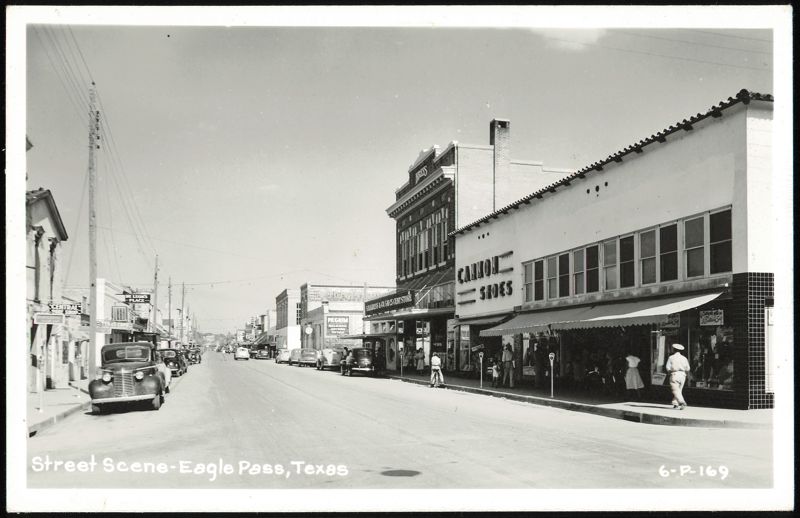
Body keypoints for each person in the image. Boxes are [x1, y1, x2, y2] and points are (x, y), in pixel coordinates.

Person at [666, 343, 691, 409]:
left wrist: (670, 372)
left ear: (674, 350)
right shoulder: (684, 358)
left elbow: (667, 367)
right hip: (683, 375)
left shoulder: (671, 357)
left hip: (674, 374)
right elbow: (688, 368)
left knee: (675, 389)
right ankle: (675, 403)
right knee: (679, 390)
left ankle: (682, 402)